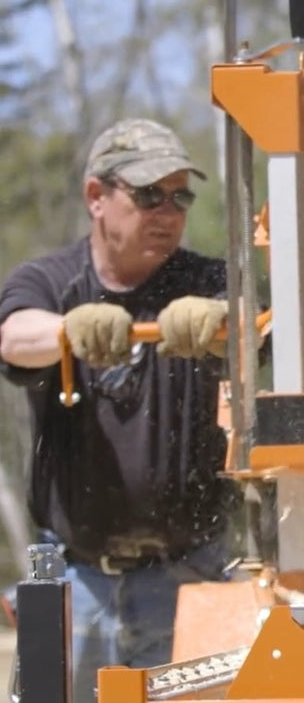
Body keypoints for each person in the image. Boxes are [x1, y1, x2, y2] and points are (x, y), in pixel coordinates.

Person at [0, 118, 241, 703]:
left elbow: (259, 330)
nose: (168, 211)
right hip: (72, 575)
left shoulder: (210, 280)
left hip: (191, 576)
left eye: (180, 196)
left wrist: (221, 325)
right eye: (149, 194)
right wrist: (68, 332)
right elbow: (13, 335)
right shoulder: (51, 281)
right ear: (95, 197)